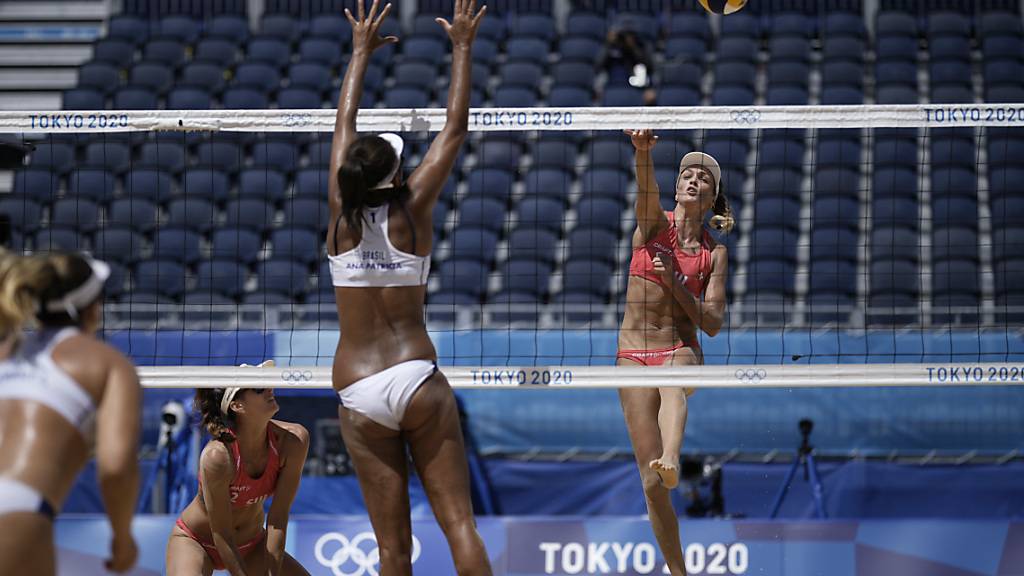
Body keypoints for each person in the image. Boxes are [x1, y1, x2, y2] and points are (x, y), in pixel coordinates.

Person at [326, 0, 492, 574]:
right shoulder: (412, 209)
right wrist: (463, 45)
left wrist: (359, 54)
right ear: (396, 174)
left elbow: (343, 126)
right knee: (459, 527)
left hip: (358, 387)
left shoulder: (339, 212)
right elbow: (455, 127)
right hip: (415, 375)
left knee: (392, 550)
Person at [617, 129, 732, 576]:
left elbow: (714, 324)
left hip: (680, 347)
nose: (692, 179)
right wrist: (642, 153)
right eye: (687, 172)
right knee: (651, 486)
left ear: (711, 197)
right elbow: (646, 190)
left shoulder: (713, 253)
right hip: (632, 354)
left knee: (674, 380)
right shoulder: (652, 227)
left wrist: (677, 284)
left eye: (702, 177)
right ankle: (679, 573)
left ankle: (672, 456)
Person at [0, 250, 141, 575]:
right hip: (16, 508)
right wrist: (123, 541)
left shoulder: (7, 351)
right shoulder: (108, 363)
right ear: (93, 308)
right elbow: (116, 468)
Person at [166, 360, 310, 576]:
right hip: (197, 541)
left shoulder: (294, 441)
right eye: (259, 388)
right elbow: (221, 534)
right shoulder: (218, 457)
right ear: (237, 406)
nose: (270, 388)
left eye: (267, 382)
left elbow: (278, 519)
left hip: (252, 544)